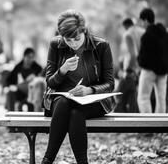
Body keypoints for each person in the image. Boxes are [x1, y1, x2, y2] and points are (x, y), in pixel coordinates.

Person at [41, 10, 115, 164]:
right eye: (68, 40)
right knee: (65, 104)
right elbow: (50, 82)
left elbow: (109, 84)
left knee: (76, 111)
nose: (73, 44)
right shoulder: (56, 45)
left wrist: (89, 90)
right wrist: (63, 70)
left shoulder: (101, 46)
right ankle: (49, 160)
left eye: (77, 38)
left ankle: (48, 160)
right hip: (62, 100)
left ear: (84, 31)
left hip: (94, 101)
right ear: (62, 37)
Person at [137, 8, 168, 113]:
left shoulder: (146, 36)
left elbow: (143, 55)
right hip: (163, 71)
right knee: (161, 99)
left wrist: (140, 62)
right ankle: (161, 127)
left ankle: (148, 126)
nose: (141, 24)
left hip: (148, 70)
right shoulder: (165, 34)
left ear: (145, 20)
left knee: (143, 98)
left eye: (141, 21)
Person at [115, 18, 144, 112]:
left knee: (121, 94)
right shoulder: (142, 31)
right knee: (135, 96)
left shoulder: (128, 34)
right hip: (143, 67)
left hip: (132, 69)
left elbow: (133, 54)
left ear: (126, 25)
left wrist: (128, 70)